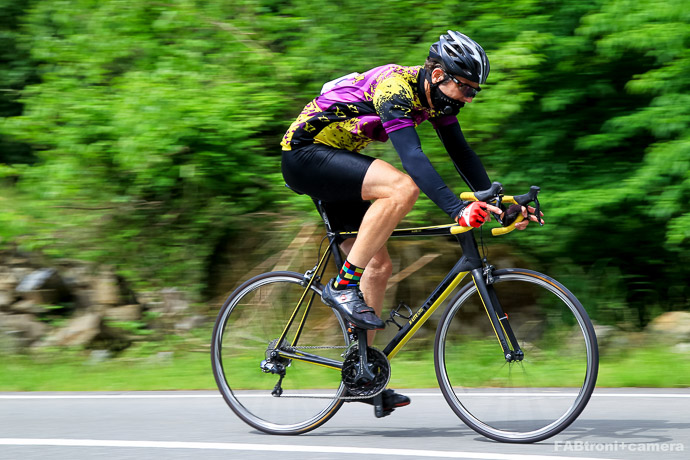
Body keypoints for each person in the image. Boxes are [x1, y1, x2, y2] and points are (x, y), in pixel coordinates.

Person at [280, 30, 543, 415]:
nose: (468, 98)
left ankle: (363, 375)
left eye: (475, 92)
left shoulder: (439, 102)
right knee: (401, 188)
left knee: (380, 266)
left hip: (340, 163)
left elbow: (462, 155)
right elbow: (414, 160)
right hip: (305, 156)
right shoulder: (395, 89)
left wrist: (501, 204)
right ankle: (342, 285)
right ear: (437, 75)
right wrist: (457, 210)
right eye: (465, 88)